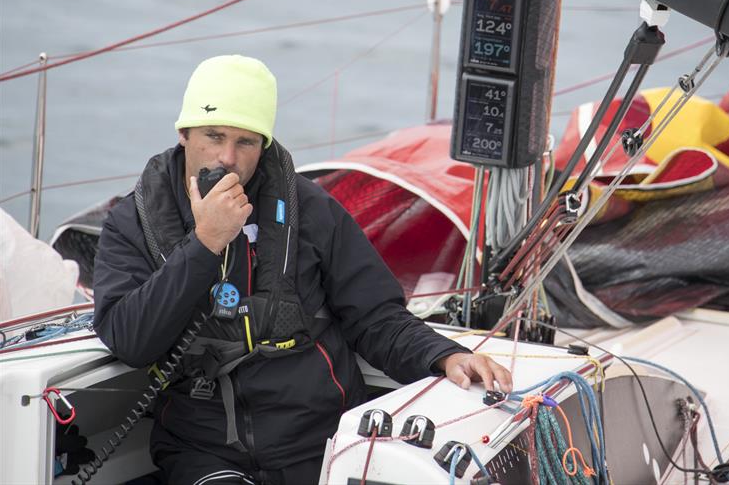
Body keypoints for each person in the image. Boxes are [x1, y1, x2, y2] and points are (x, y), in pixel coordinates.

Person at [93, 55, 512, 485]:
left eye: (246, 142)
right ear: (184, 133)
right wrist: (205, 243)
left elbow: (376, 317)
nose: (227, 157)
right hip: (203, 449)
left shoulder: (310, 210)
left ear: (266, 145)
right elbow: (129, 340)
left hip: (321, 441)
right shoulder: (134, 221)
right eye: (213, 136)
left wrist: (444, 355)